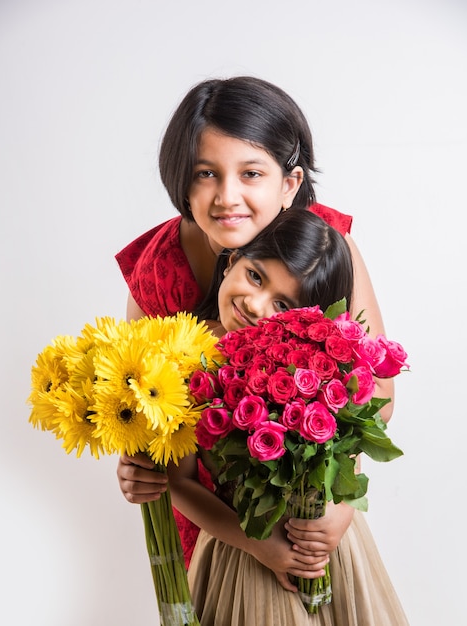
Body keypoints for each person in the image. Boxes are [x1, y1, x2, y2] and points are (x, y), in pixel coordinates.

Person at [115, 76, 396, 596]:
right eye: (205, 174)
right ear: (181, 177)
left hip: (307, 505)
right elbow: (150, 425)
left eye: (250, 173)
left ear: (288, 184)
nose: (227, 197)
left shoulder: (322, 251)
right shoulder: (160, 273)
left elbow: (371, 391)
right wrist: (138, 463)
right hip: (216, 515)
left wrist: (338, 506)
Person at [167, 209, 407, 625]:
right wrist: (257, 544)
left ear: (308, 321)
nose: (255, 305)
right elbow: (179, 482)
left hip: (326, 545)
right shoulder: (181, 358)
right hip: (239, 551)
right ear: (231, 261)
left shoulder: (310, 365)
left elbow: (346, 442)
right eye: (256, 277)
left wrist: (343, 511)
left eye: (283, 304)